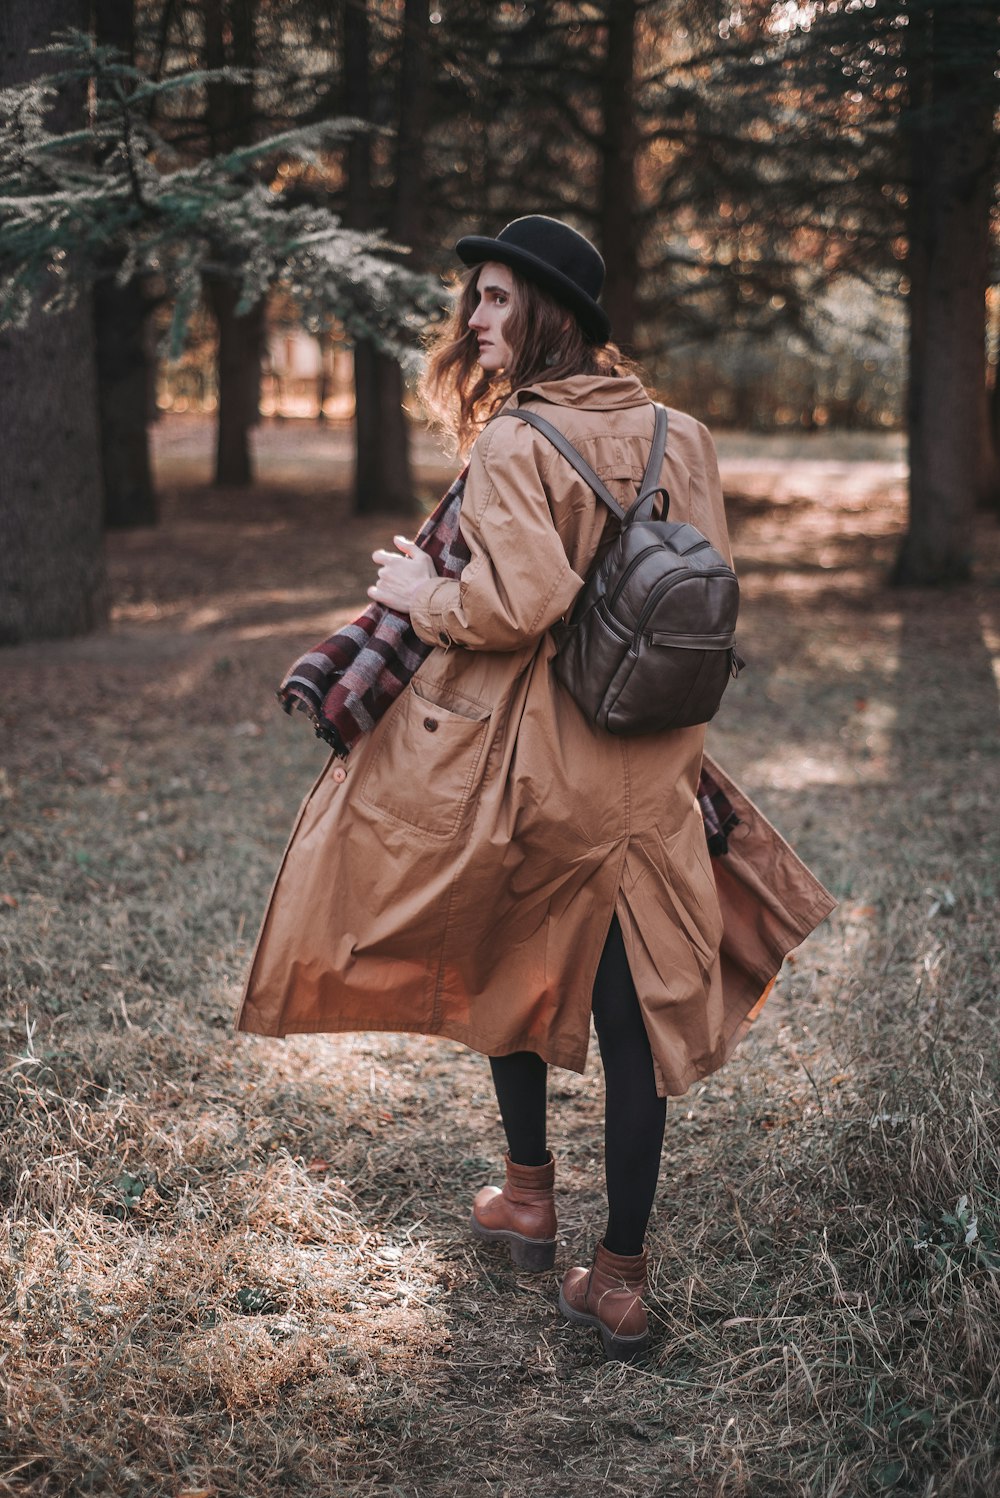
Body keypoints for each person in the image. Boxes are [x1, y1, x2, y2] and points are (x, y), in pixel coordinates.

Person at [236, 215, 834, 1364]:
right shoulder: (683, 436)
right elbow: (702, 601)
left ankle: (525, 1194)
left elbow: (511, 608)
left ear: (550, 314)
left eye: (499, 299)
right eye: (478, 299)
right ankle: (616, 1278)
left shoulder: (517, 442)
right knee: (632, 1020)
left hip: (539, 766)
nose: (476, 319)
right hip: (653, 766)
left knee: (504, 953)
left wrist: (419, 590)